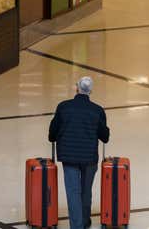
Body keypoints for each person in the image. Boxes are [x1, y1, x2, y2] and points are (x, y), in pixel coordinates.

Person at [49, 77, 110, 229]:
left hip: (69, 157)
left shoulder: (63, 107)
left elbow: (52, 132)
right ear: (91, 91)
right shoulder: (97, 110)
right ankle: (85, 221)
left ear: (76, 88)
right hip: (89, 157)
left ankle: (77, 226)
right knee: (85, 190)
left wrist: (55, 136)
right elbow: (105, 137)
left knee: (73, 192)